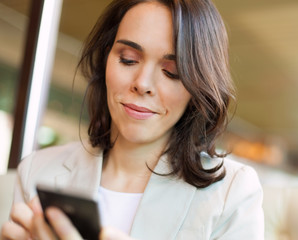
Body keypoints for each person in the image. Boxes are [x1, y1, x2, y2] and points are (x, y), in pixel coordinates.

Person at [1, 0, 264, 239]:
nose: (142, 84)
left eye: (171, 72)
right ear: (105, 60)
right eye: (128, 60)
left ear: (198, 88)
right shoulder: (38, 170)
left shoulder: (233, 191)